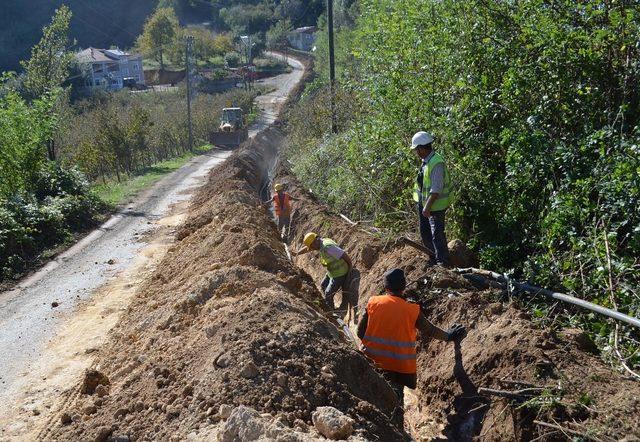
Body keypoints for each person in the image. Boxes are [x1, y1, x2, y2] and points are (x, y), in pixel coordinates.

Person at [357, 268, 466, 425]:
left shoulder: (373, 302)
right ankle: (397, 432)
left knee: (372, 400)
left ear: (386, 287)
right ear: (404, 287)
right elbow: (430, 330)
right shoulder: (412, 310)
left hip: (373, 362)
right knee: (396, 404)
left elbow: (360, 332)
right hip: (399, 367)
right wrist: (449, 336)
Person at [411, 131, 452, 267]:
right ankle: (433, 258)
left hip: (435, 206)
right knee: (426, 233)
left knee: (437, 235)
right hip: (425, 205)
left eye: (416, 149)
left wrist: (427, 207)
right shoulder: (426, 161)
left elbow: (436, 189)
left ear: (421, 148)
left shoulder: (436, 162)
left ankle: (443, 263)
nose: (416, 153)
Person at [291, 232, 353, 309]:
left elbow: (345, 255)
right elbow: (307, 249)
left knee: (328, 293)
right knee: (323, 285)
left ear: (314, 241)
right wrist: (297, 253)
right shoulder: (320, 243)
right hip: (332, 272)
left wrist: (350, 269)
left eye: (312, 247)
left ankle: (331, 311)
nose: (312, 249)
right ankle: (330, 305)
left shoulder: (328, 247)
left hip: (340, 273)